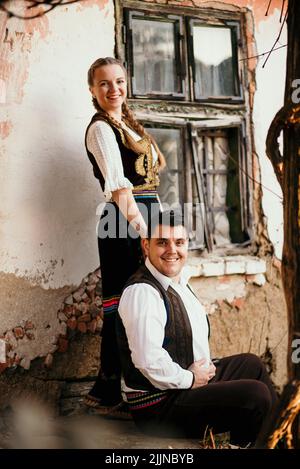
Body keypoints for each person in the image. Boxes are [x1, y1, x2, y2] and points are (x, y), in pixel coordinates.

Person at [116, 210, 278, 445]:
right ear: (145, 246)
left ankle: (276, 441)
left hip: (184, 384)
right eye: (162, 242)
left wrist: (201, 372)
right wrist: (191, 378)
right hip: (158, 406)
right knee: (256, 396)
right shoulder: (143, 292)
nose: (172, 250)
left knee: (251, 364)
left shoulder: (179, 282)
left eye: (179, 242)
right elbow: (148, 361)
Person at [84, 57, 165, 417]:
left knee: (147, 302)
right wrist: (145, 233)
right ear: (92, 90)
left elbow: (155, 169)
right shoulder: (101, 129)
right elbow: (121, 190)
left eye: (119, 81)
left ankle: (145, 383)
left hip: (147, 213)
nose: (113, 89)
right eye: (104, 83)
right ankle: (107, 392)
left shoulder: (126, 124)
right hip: (124, 220)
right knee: (121, 304)